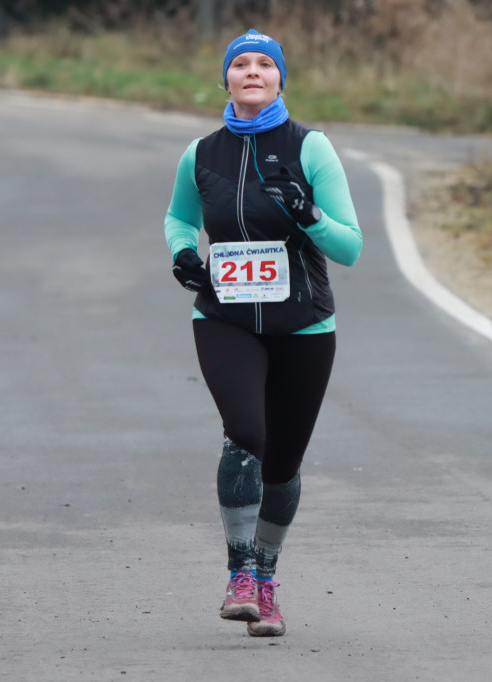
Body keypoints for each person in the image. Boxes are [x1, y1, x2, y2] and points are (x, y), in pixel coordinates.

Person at [163, 29, 362, 637]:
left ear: (280, 79)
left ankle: (268, 581)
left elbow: (349, 247)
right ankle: (240, 574)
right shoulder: (200, 153)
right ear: (226, 79)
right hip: (223, 316)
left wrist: (310, 216)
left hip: (304, 324)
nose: (253, 72)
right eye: (241, 64)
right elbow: (180, 217)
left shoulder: (311, 148)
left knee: (282, 462)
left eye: (265, 65)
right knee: (246, 430)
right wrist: (182, 253)